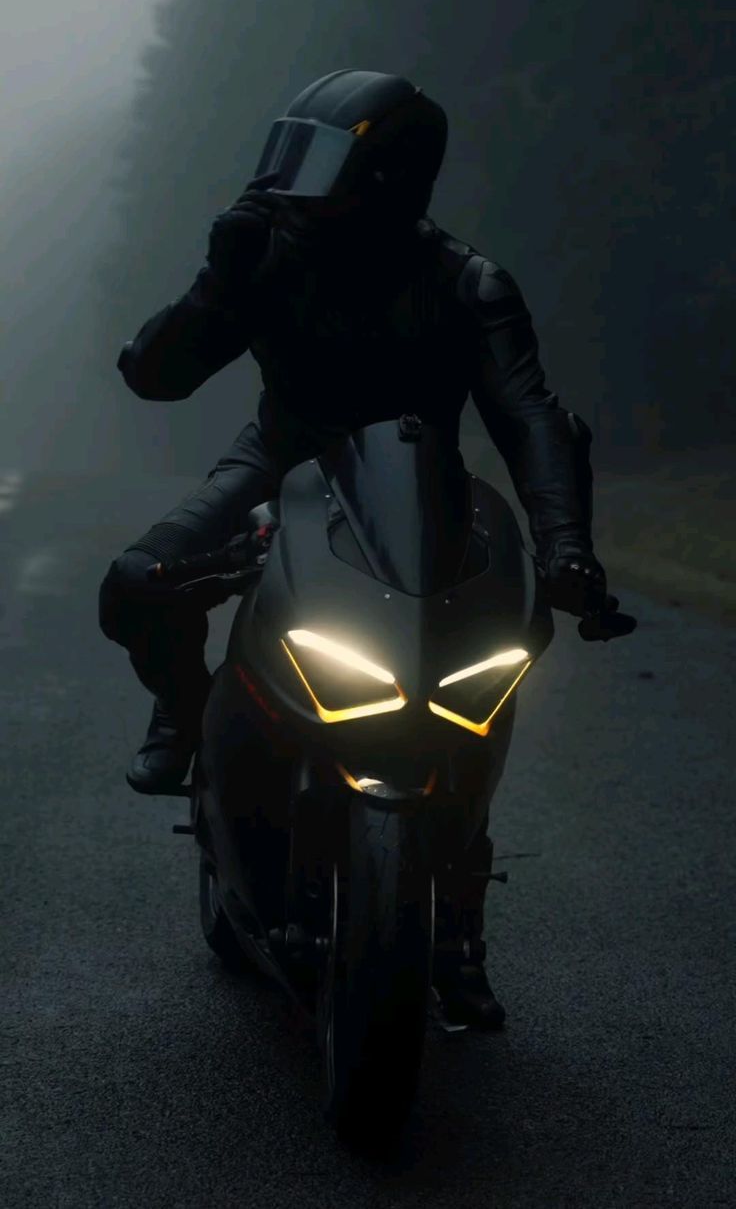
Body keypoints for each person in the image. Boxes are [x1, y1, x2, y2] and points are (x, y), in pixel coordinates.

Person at [99, 69, 607, 1028]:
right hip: (279, 454)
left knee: (482, 665)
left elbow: (530, 417)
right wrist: (218, 282)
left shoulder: (467, 282)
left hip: (419, 484)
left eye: (319, 164)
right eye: (290, 157)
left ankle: (458, 918)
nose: (290, 187)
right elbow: (153, 378)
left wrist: (567, 549)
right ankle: (187, 714)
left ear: (386, 182)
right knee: (134, 582)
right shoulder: (268, 256)